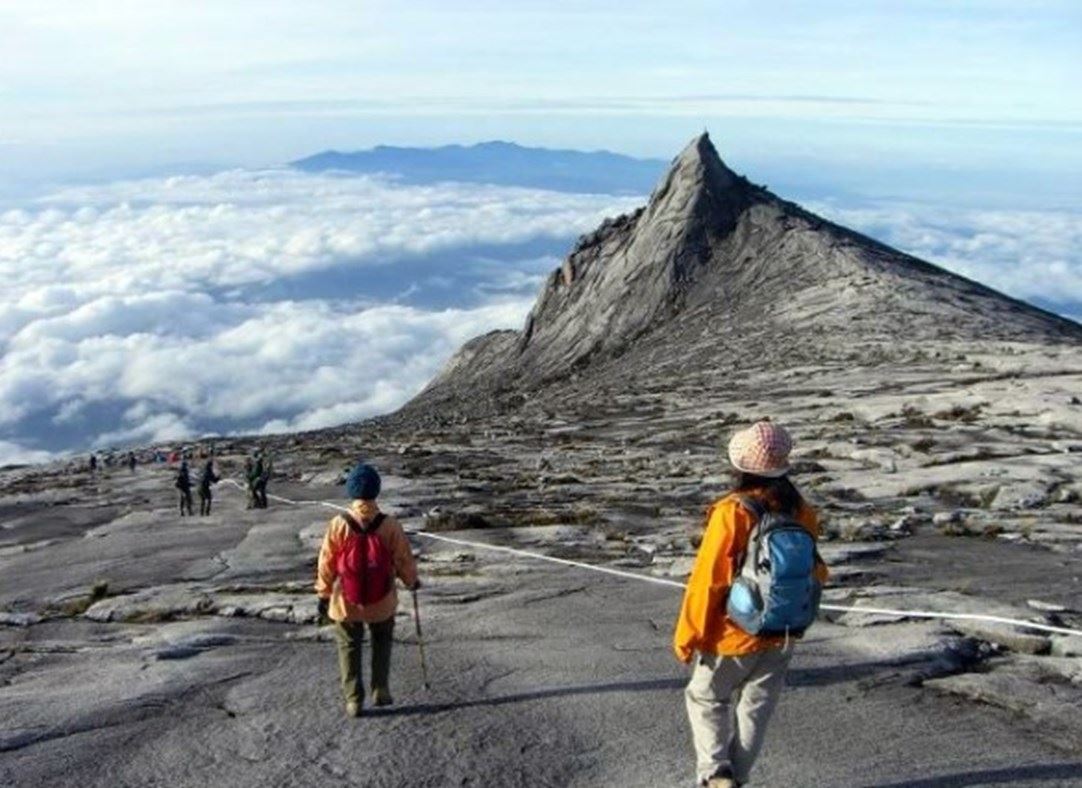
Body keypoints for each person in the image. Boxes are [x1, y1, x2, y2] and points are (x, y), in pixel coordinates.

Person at [674, 421, 828, 788]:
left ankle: (715, 774)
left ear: (741, 465)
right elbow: (818, 571)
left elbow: (709, 580)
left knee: (706, 697)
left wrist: (688, 635)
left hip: (734, 633)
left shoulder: (733, 511)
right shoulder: (801, 510)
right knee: (755, 710)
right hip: (783, 631)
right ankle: (737, 776)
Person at [315, 463, 419, 718]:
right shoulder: (389, 524)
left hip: (345, 600)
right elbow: (403, 558)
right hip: (382, 599)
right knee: (382, 640)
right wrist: (411, 581)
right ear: (376, 491)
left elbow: (326, 562)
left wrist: (323, 593)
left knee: (349, 646)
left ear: (351, 491)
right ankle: (380, 688)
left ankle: (353, 699)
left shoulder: (339, 524)